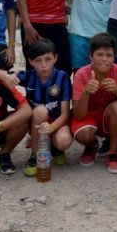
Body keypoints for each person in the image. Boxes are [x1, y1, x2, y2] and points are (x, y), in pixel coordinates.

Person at [70, 33, 117, 174]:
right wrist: (86, 92)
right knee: (84, 135)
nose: (104, 59)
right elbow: (79, 114)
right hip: (88, 116)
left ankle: (113, 153)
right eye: (99, 54)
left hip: (108, 118)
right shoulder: (81, 74)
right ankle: (92, 145)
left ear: (114, 57)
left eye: (109, 55)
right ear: (90, 57)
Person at [15, 39, 73, 177]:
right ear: (30, 61)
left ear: (55, 58)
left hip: (57, 122)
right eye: (38, 60)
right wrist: (9, 76)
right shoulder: (28, 76)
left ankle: (55, 148)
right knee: (40, 111)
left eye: (48, 59)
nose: (43, 65)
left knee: (63, 141)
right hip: (37, 121)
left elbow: (65, 114)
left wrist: (51, 128)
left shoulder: (62, 77)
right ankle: (35, 156)